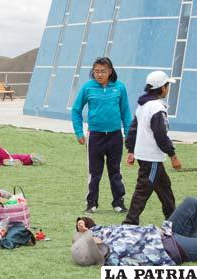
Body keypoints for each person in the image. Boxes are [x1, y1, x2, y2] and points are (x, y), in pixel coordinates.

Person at [71, 57, 132, 214]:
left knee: (115, 171)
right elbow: (76, 110)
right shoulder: (88, 88)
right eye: (96, 71)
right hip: (95, 136)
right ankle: (91, 204)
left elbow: (125, 112)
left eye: (103, 71)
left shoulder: (119, 88)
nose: (99, 74)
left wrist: (128, 134)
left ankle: (118, 203)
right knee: (94, 172)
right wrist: (79, 132)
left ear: (110, 71)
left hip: (115, 136)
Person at [123, 71, 181, 225]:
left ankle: (173, 220)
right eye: (167, 85)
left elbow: (133, 129)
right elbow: (160, 135)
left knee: (165, 189)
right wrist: (173, 155)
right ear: (162, 88)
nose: (168, 89)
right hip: (152, 158)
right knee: (143, 190)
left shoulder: (143, 105)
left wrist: (130, 150)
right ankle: (129, 223)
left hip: (146, 156)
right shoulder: (156, 107)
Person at [72, 197, 197, 266]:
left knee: (190, 203)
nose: (89, 235)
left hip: (166, 232)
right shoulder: (116, 256)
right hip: (172, 247)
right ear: (95, 247)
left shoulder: (101, 236)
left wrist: (83, 222)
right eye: (89, 238)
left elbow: (93, 228)